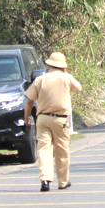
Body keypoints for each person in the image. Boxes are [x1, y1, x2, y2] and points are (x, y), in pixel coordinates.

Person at [23, 51, 82, 192]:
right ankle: (62, 182)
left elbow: (30, 100)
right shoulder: (66, 78)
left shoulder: (40, 79)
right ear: (63, 66)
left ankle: (45, 180)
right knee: (62, 151)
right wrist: (67, 73)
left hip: (42, 118)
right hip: (60, 119)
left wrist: (26, 117)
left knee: (43, 149)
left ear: (48, 64)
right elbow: (78, 88)